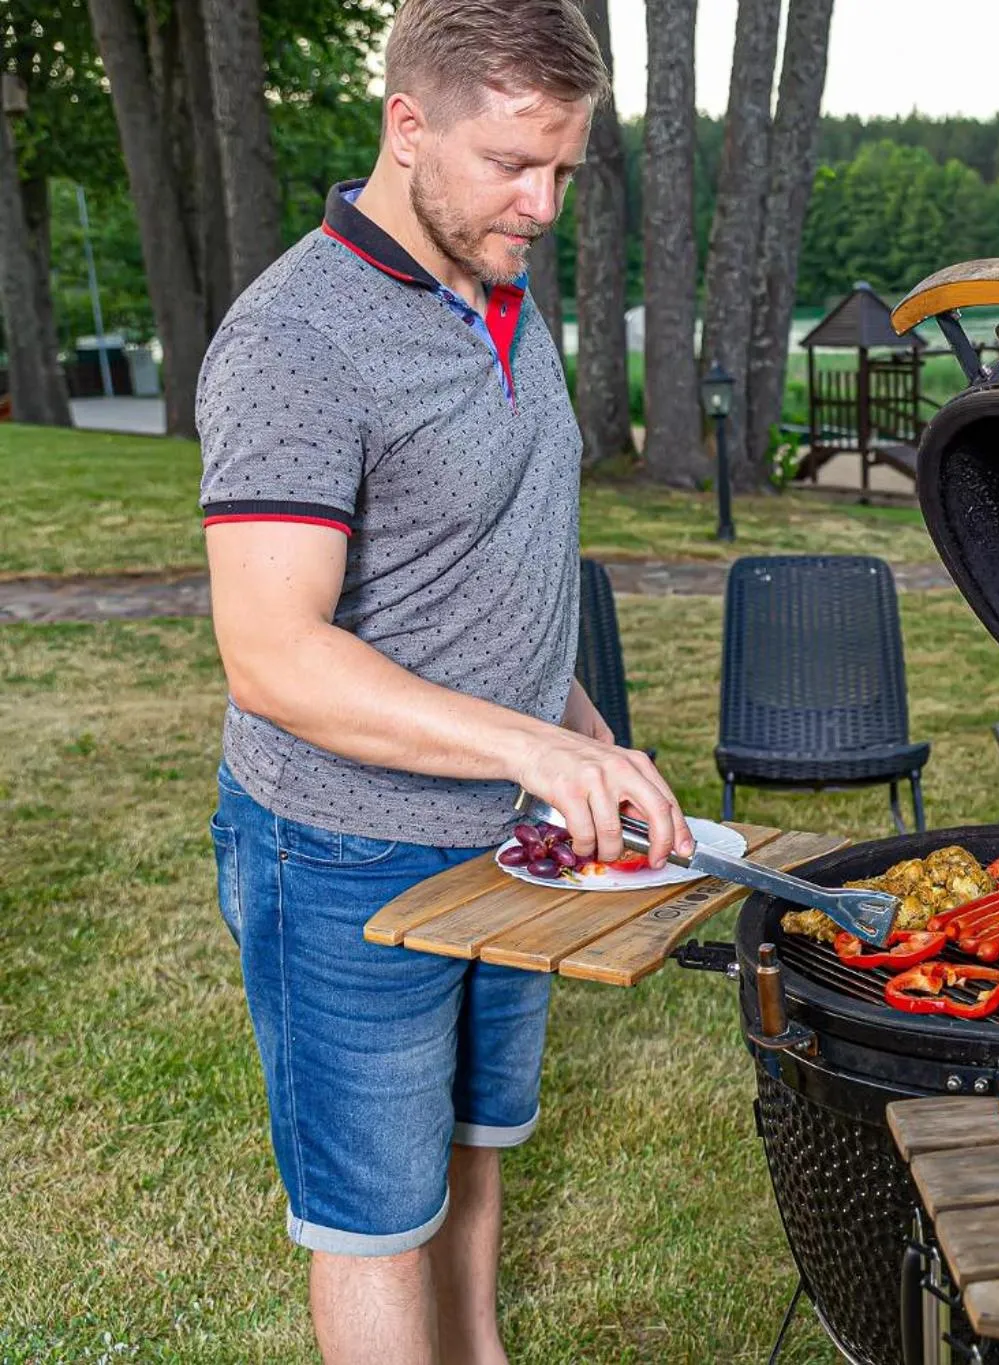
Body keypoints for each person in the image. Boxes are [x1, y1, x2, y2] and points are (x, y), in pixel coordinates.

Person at [197, 2, 689, 1359]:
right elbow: (274, 654)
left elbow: (495, 568)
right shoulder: (295, 339)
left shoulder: (502, 290)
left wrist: (585, 738)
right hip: (345, 851)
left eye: (566, 171)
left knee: (478, 1154)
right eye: (510, 164)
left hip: (512, 840)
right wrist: (538, 754)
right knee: (375, 1218)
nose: (542, 204)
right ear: (405, 127)